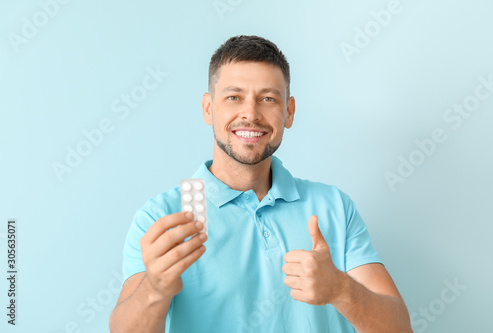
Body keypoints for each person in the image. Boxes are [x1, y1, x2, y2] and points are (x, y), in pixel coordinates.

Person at [109, 35, 412, 333]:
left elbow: (400, 329)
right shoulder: (161, 217)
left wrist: (341, 290)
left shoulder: (334, 207)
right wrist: (155, 288)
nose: (251, 114)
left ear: (288, 112)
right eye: (234, 97)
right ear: (208, 108)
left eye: (268, 98)